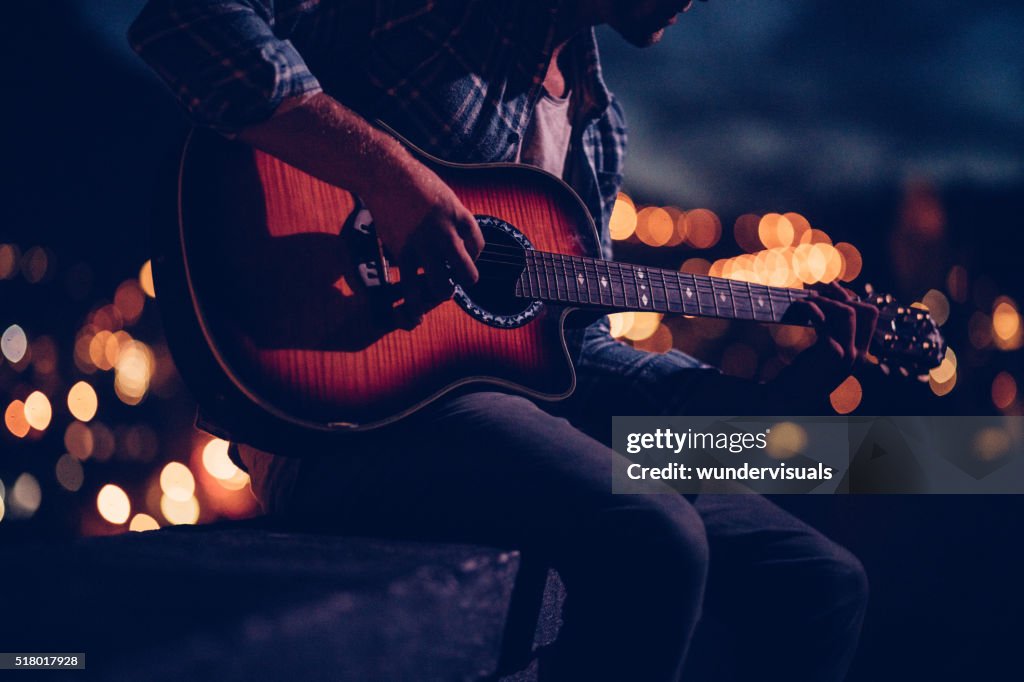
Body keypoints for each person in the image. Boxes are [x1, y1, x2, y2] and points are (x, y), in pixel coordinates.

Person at [129, 1, 873, 679]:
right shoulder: (432, 15)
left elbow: (578, 361)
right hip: (337, 420)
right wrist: (386, 177)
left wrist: (769, 406)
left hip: (507, 429)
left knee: (819, 581)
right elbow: (189, 22)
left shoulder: (596, 129)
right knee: (657, 537)